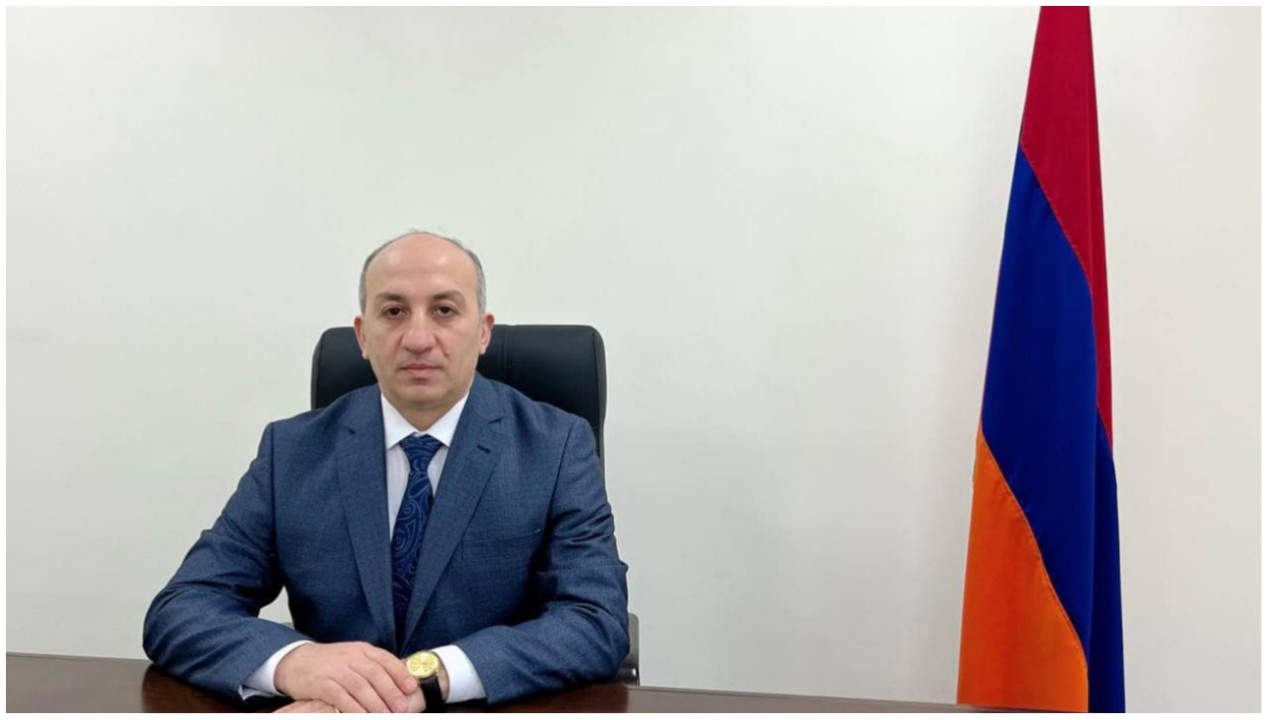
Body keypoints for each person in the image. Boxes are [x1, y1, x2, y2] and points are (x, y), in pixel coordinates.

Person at [143, 231, 629, 713]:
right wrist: (298, 663)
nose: (417, 339)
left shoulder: (556, 446)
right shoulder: (292, 451)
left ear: (483, 332)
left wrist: (428, 678)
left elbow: (596, 620)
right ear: (362, 335)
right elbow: (183, 609)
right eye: (394, 312)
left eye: (444, 310)